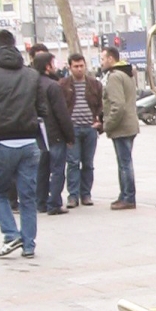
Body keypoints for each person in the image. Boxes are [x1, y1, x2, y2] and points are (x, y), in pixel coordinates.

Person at [0, 29, 48, 258]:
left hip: (1, 142)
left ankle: (11, 234)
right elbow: (42, 109)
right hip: (29, 141)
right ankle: (29, 244)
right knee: (28, 196)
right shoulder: (31, 74)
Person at [33, 52, 74, 215]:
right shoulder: (53, 86)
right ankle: (54, 203)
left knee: (42, 169)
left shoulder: (32, 84)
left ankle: (41, 201)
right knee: (57, 169)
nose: (55, 66)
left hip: (38, 134)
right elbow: (61, 113)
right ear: (47, 67)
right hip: (55, 133)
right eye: (53, 63)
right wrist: (69, 135)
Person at [61, 52, 103, 206]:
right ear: (70, 67)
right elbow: (60, 107)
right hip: (72, 129)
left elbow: (101, 105)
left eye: (81, 66)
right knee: (73, 163)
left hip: (89, 129)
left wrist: (99, 122)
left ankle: (86, 194)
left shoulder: (94, 84)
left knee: (88, 163)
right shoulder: (63, 84)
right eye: (75, 66)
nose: (79, 69)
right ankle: (73, 196)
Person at [100, 45, 138, 210]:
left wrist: (107, 123)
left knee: (124, 163)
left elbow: (118, 105)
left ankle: (128, 196)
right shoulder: (126, 74)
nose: (101, 63)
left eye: (102, 59)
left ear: (110, 59)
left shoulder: (115, 77)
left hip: (121, 126)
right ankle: (125, 195)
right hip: (129, 125)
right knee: (125, 161)